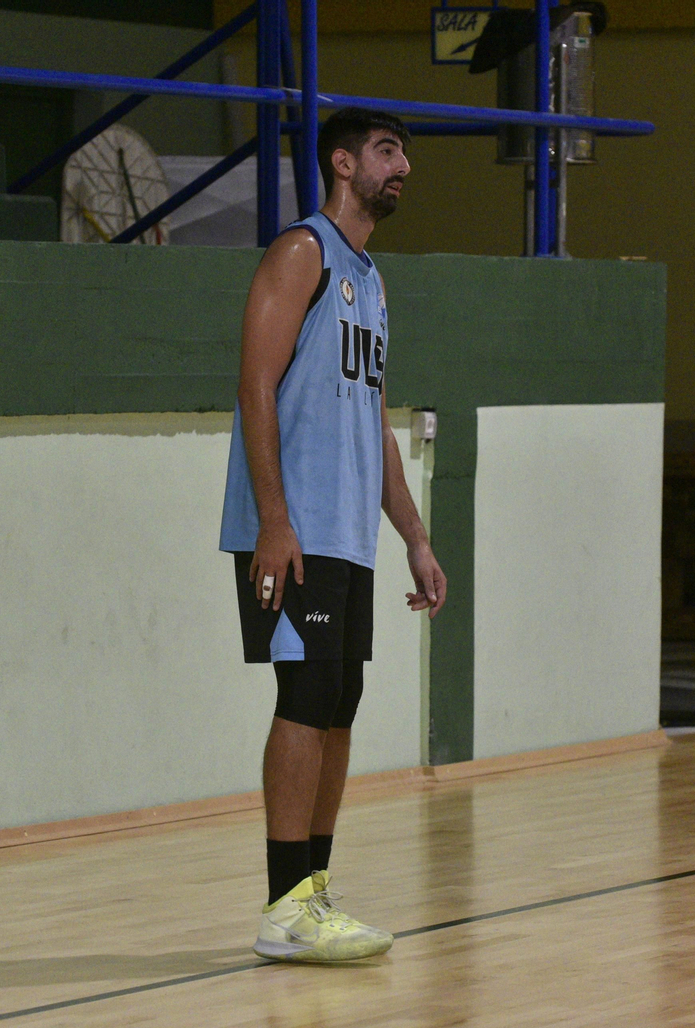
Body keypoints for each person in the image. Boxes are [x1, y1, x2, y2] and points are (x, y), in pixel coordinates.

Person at [219, 107, 446, 962]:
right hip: (295, 527)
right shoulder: (301, 253)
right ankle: (283, 908)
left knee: (339, 703)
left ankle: (312, 893)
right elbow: (255, 385)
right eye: (388, 152)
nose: (403, 168)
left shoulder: (371, 280)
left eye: (404, 155)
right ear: (343, 164)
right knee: (306, 697)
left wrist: (414, 537)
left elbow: (376, 423)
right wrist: (275, 520)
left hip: (347, 531)